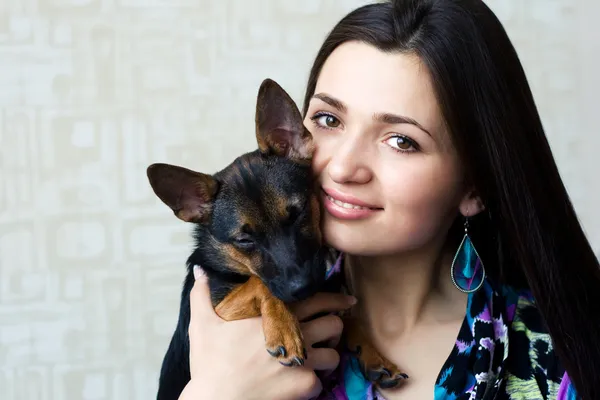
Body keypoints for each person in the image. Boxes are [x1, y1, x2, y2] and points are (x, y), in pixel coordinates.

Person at [177, 0, 600, 399]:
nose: (342, 167)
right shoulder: (225, 326)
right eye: (328, 119)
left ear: (475, 188)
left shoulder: (560, 357)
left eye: (401, 140)